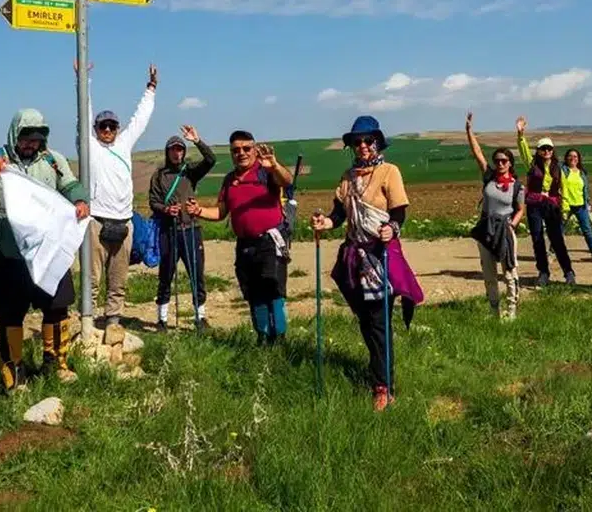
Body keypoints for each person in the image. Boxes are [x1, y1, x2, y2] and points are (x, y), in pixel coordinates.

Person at [0, 109, 90, 391]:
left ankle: (56, 364)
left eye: (36, 140)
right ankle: (13, 372)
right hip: (9, 251)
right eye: (26, 139)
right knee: (10, 314)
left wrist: (79, 200)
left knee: (57, 307)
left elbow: (70, 184)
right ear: (15, 135)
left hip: (48, 249)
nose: (31, 145)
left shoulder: (52, 160)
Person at [310, 115, 424, 412]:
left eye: (368, 140)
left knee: (377, 322)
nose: (362, 145)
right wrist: (325, 223)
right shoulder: (347, 178)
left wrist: (392, 229)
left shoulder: (389, 172)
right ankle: (379, 371)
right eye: (357, 141)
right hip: (354, 256)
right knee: (366, 320)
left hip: (379, 256)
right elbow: (339, 215)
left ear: (377, 143)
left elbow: (399, 212)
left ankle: (383, 386)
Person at [188, 132, 292, 345]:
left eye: (246, 148)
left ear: (254, 150)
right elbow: (221, 211)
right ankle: (263, 338)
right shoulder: (229, 180)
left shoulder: (265, 172)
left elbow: (286, 181)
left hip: (270, 241)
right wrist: (198, 211)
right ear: (231, 153)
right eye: (236, 150)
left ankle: (280, 340)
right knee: (253, 293)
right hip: (245, 244)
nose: (241, 153)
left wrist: (274, 166)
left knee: (273, 290)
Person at [85, 64, 157, 344]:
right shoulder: (89, 147)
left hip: (123, 222)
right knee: (91, 279)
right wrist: (83, 79)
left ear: (118, 128)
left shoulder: (124, 144)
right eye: (102, 126)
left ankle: (113, 323)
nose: (107, 130)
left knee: (118, 279)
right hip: (95, 221)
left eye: (112, 126)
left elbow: (140, 118)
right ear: (95, 129)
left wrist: (151, 89)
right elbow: (83, 112)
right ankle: (88, 325)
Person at [148, 125, 216, 332]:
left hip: (190, 229)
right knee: (166, 274)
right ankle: (162, 320)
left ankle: (200, 317)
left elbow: (211, 160)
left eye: (180, 149)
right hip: (168, 231)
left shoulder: (190, 172)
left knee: (196, 273)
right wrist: (166, 209)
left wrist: (197, 140)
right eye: (173, 149)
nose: (177, 153)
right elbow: (153, 202)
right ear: (167, 152)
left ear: (184, 152)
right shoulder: (159, 176)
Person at [466, 113, 525, 319]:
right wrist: (469, 131)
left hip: (505, 229)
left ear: (510, 163)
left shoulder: (517, 186)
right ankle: (494, 311)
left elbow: (520, 209)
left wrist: (512, 225)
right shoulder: (489, 177)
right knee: (489, 272)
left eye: (503, 161)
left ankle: (511, 310)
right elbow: (477, 153)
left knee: (509, 271)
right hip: (486, 228)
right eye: (497, 160)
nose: (500, 163)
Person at [515, 117, 577, 284]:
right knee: (537, 239)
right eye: (543, 148)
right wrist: (520, 135)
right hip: (534, 204)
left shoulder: (559, 168)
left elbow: (564, 189)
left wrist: (565, 209)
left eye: (549, 148)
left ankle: (568, 272)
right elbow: (523, 151)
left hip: (552, 206)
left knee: (557, 239)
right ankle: (543, 272)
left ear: (552, 150)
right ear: (538, 151)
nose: (546, 151)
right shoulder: (532, 165)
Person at [559, 148, 592, 262]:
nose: (573, 158)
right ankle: (552, 253)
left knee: (587, 230)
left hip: (581, 205)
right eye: (570, 156)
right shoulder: (562, 171)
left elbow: (585, 189)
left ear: (578, 159)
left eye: (575, 156)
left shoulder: (582, 173)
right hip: (566, 205)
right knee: (559, 230)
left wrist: (587, 203)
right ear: (566, 158)